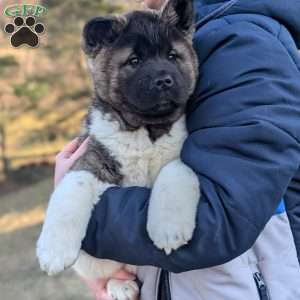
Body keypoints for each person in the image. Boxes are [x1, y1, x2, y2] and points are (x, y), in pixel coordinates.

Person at [54, 0, 300, 299]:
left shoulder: (244, 47)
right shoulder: (203, 32)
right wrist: (106, 273)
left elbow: (219, 218)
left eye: (172, 56)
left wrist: (81, 211)